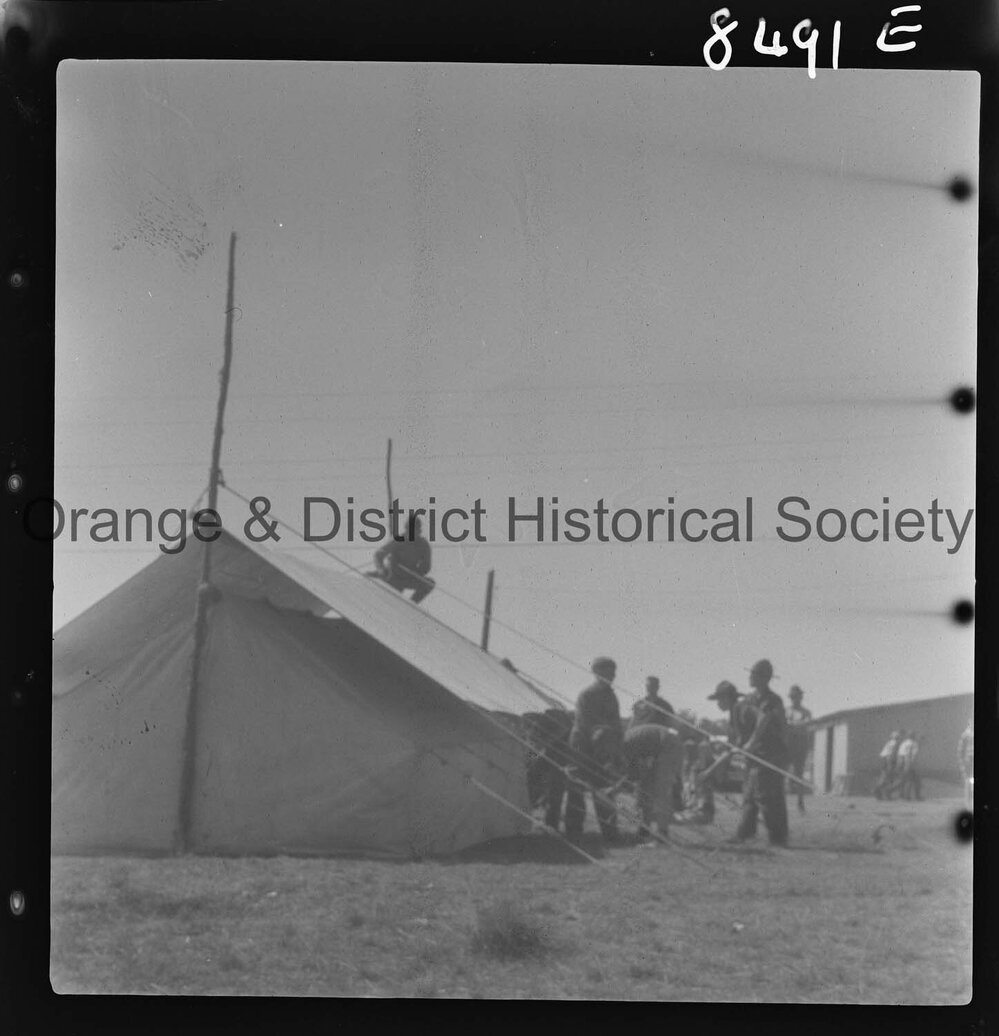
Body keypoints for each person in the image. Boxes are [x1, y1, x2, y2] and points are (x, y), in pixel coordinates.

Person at [728, 660, 790, 847]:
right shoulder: (747, 700)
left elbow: (764, 720)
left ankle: (778, 838)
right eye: (751, 673)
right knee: (749, 793)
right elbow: (741, 724)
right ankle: (744, 833)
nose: (750, 677)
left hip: (771, 754)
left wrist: (751, 742)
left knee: (768, 796)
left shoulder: (772, 700)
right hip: (753, 755)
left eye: (755, 674)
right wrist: (740, 743)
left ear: (765, 678)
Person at [564, 657, 623, 844]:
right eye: (608, 672)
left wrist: (614, 745)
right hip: (583, 745)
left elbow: (615, 723)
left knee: (605, 789)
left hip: (603, 745)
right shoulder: (587, 694)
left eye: (613, 672)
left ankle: (609, 832)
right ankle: (573, 831)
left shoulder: (611, 696)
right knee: (577, 786)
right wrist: (602, 742)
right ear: (597, 673)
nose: (612, 675)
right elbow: (586, 723)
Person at [621, 724, 685, 841]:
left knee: (661, 791)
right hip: (661, 748)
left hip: (669, 746)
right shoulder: (627, 740)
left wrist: (618, 785)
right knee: (644, 789)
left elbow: (634, 773)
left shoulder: (625, 745)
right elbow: (640, 774)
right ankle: (644, 829)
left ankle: (662, 834)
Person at [523, 708, 574, 832]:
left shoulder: (554, 717)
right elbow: (533, 746)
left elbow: (564, 729)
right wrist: (529, 760)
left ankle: (552, 823)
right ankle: (543, 814)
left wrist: (546, 742)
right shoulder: (538, 725)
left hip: (562, 754)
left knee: (556, 789)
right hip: (549, 754)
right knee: (534, 779)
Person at [370, 515, 435, 602]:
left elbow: (426, 567)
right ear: (406, 530)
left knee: (428, 583)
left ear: (419, 531)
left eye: (414, 531)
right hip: (393, 576)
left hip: (409, 576)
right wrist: (381, 570)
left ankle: (412, 606)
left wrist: (418, 570)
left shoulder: (423, 545)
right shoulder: (399, 539)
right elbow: (378, 555)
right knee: (369, 578)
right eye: (409, 531)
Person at [785, 685, 813, 814]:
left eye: (798, 696)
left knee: (799, 774)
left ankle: (800, 803)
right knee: (782, 772)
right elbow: (783, 724)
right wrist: (793, 725)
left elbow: (806, 723)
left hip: (800, 745)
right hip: (787, 745)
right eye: (793, 697)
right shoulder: (786, 711)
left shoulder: (806, 712)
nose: (796, 699)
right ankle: (780, 801)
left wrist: (792, 725)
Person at [873, 731, 902, 800]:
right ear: (897, 737)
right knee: (889, 779)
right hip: (890, 762)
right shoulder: (895, 744)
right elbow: (890, 755)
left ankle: (881, 793)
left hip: (886, 762)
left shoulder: (888, 743)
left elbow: (883, 754)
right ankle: (880, 792)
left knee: (885, 779)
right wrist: (890, 765)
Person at [896, 731, 922, 801]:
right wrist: (911, 766)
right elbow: (914, 755)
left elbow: (900, 755)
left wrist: (899, 765)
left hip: (902, 763)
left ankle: (901, 795)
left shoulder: (903, 743)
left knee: (903, 780)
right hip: (910, 763)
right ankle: (910, 796)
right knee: (913, 780)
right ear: (913, 736)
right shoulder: (914, 743)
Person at [958, 718, 974, 807]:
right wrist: (962, 761)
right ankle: (967, 802)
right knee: (968, 780)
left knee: (972, 780)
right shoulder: (965, 734)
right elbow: (960, 749)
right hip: (969, 759)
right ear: (969, 724)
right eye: (971, 723)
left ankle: (971, 800)